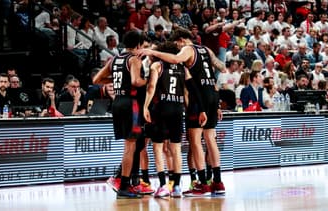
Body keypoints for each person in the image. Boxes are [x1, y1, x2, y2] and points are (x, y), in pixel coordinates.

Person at [139, 28, 227, 196]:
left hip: (197, 96)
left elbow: (175, 59)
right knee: (210, 138)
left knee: (195, 141)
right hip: (212, 94)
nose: (178, 48)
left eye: (178, 45)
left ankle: (202, 183)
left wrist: (153, 52)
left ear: (180, 40)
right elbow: (221, 68)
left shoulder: (187, 49)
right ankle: (217, 181)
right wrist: (215, 104)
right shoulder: (206, 49)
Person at [143, 41, 206, 198]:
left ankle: (163, 186)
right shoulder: (183, 69)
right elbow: (188, 91)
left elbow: (151, 87)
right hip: (177, 110)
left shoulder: (157, 66)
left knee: (158, 149)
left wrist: (145, 106)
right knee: (176, 149)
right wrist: (191, 108)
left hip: (161, 109)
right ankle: (177, 187)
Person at [93, 30, 147, 199]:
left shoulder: (114, 59)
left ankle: (125, 181)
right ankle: (123, 185)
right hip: (131, 104)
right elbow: (135, 81)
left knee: (132, 145)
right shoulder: (134, 60)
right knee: (130, 146)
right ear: (138, 45)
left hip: (117, 103)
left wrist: (116, 80)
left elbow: (96, 80)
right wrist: (151, 78)